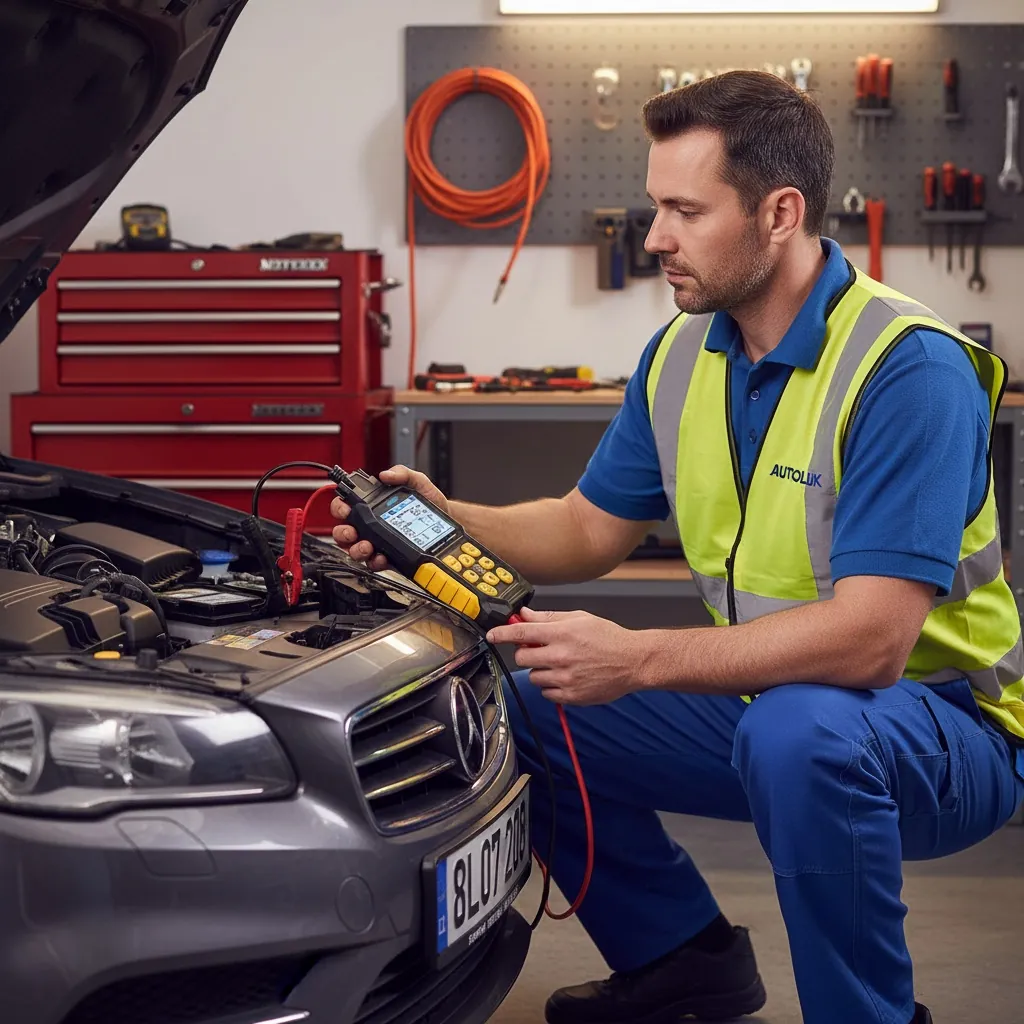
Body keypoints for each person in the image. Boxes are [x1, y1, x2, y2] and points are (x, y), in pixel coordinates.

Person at [331, 70, 1024, 1024]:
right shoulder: (681, 355)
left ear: (779, 212)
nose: (654, 236)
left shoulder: (909, 369)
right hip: (770, 703)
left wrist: (641, 658)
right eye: (658, 207)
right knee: (525, 699)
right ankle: (679, 960)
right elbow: (585, 529)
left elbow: (873, 644)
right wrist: (447, 518)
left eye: (684, 211)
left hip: (946, 729)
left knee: (800, 733)